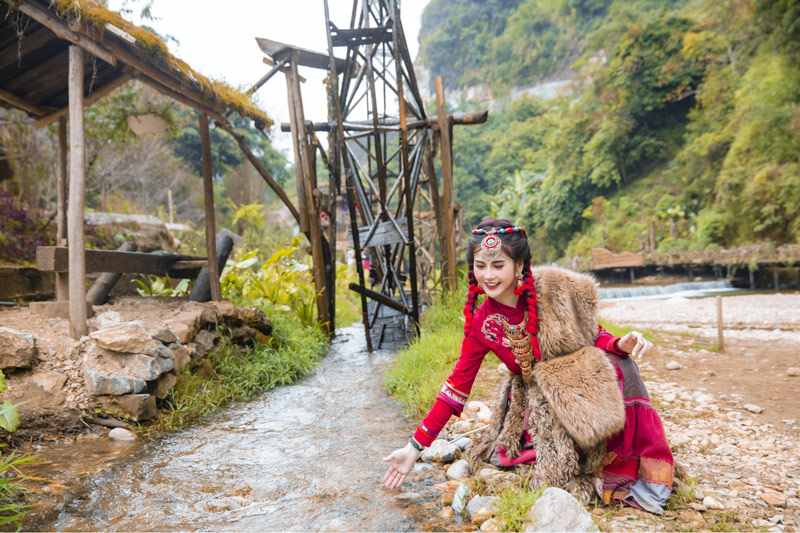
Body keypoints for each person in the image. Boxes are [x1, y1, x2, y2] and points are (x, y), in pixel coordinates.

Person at [382, 219, 674, 514]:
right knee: (535, 454)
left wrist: (620, 344)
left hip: (578, 383)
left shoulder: (554, 289)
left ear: (519, 264)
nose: (488, 275)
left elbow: (593, 335)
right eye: (480, 266)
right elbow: (456, 388)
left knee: (623, 365)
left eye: (498, 265)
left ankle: (631, 459)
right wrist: (413, 448)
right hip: (535, 401)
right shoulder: (482, 323)